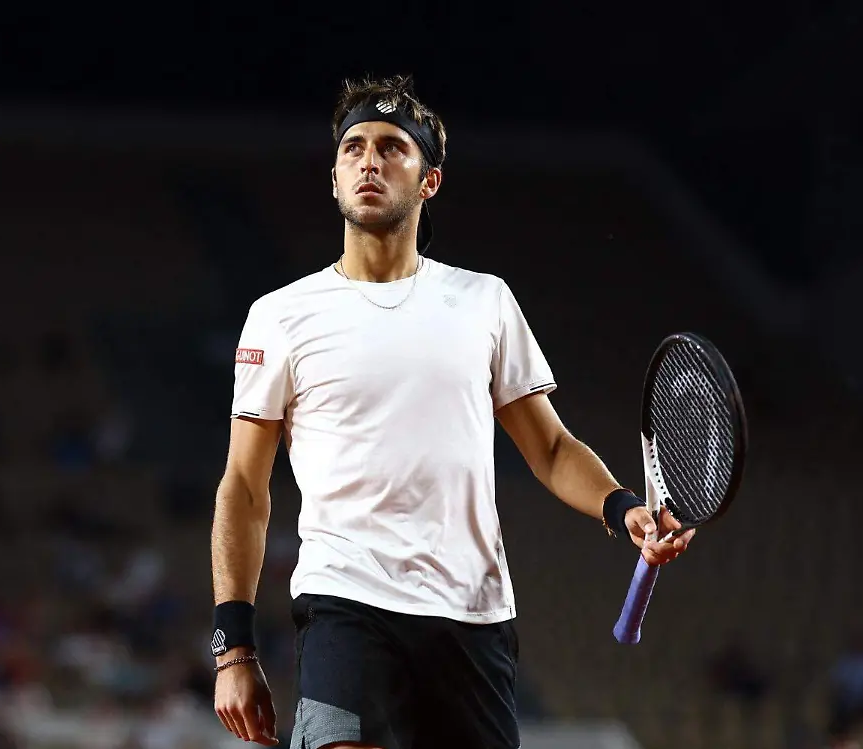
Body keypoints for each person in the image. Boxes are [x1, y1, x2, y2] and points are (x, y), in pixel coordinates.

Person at [209, 74, 694, 749]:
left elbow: (551, 449)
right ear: (334, 178)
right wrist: (234, 648)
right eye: (353, 148)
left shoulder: (485, 301)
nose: (369, 161)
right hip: (346, 602)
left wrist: (622, 507)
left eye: (391, 147)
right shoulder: (281, 315)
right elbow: (244, 485)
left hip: (473, 616)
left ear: (429, 180)